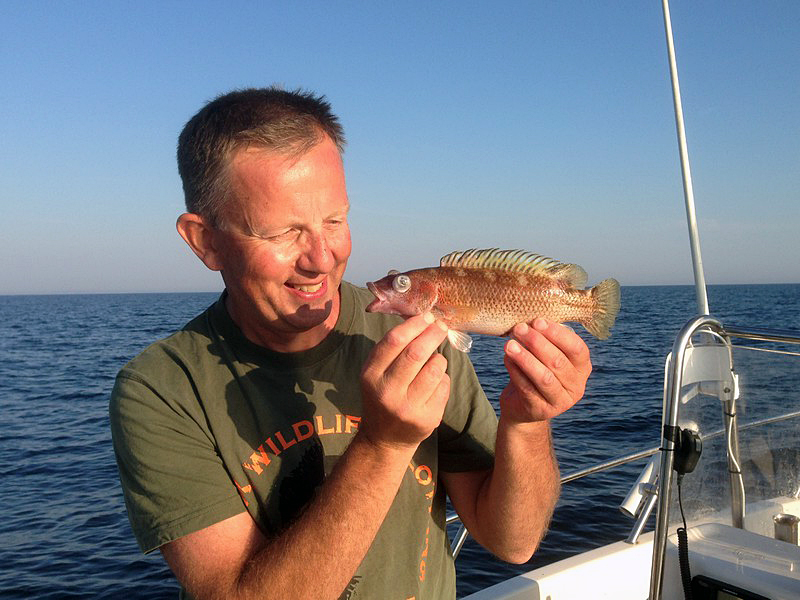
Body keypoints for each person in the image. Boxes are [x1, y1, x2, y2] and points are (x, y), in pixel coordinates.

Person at [110, 86, 592, 600]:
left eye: (335, 220)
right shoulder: (162, 390)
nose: (322, 257)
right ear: (205, 241)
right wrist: (383, 445)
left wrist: (527, 420)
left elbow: (511, 542)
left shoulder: (419, 335)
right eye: (281, 233)